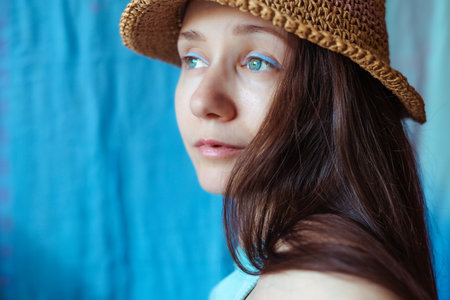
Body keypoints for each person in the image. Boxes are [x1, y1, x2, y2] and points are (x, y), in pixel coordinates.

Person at [119, 0, 438, 299]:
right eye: (193, 59)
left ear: (336, 96)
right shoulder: (270, 263)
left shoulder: (327, 289)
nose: (202, 101)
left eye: (257, 62)